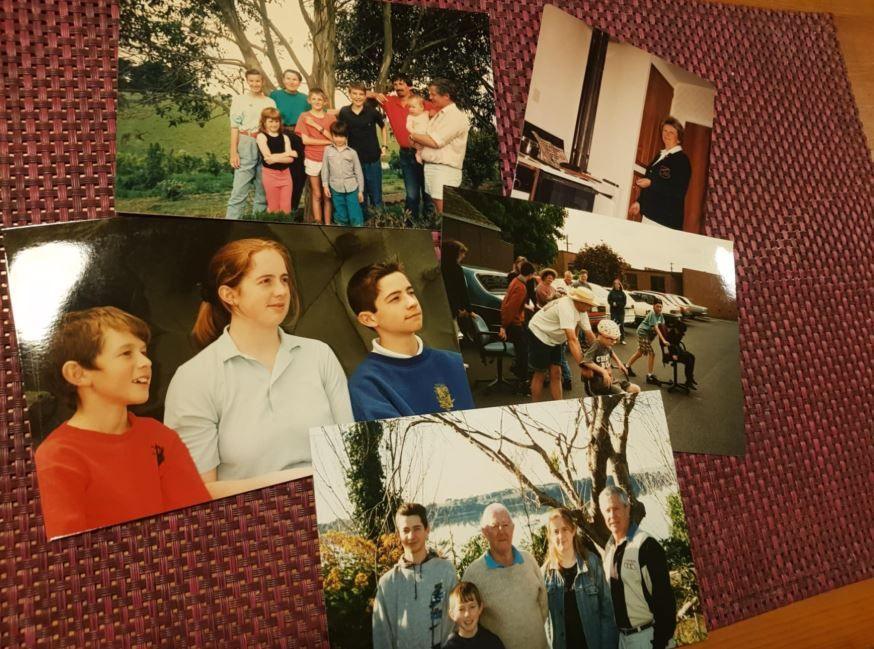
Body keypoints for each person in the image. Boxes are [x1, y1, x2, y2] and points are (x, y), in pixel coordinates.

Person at [164, 238, 353, 499]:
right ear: (229, 295)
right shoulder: (193, 378)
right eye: (266, 281)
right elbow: (196, 492)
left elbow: (351, 453)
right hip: (253, 524)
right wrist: (300, 481)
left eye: (284, 279)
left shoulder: (319, 355)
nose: (282, 291)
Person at [35, 307, 209, 539]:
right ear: (77, 373)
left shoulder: (160, 436)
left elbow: (200, 523)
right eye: (127, 353)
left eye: (143, 351)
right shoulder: (57, 459)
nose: (146, 361)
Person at [346, 261, 475, 421]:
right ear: (369, 318)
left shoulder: (453, 362)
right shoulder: (367, 385)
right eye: (395, 298)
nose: (412, 303)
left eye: (411, 292)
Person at [462, 504, 548, 649]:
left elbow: (543, 605)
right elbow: (467, 620)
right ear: (484, 532)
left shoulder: (529, 560)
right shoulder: (473, 575)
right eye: (495, 526)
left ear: (513, 528)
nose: (502, 531)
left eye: (505, 524)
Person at [600, 486, 676, 649]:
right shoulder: (609, 549)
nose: (612, 516)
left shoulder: (647, 546)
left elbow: (665, 600)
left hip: (649, 638)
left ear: (627, 509)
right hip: (623, 640)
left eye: (616, 509)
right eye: (607, 511)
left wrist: (660, 642)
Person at [373, 503, 458, 649]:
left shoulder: (446, 571)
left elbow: (456, 621)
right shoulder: (387, 583)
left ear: (427, 530)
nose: (411, 536)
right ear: (398, 534)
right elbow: (381, 634)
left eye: (417, 528)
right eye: (405, 530)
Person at [541, 508, 618, 649]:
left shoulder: (592, 564)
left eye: (565, 529)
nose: (561, 536)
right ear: (550, 536)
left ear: (574, 530)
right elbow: (542, 622)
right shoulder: (544, 575)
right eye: (556, 532)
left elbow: (608, 612)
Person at [375, 74, 435, 219]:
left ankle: (431, 222)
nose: (398, 87)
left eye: (401, 84)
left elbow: (438, 114)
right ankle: (411, 223)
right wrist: (376, 94)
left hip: (425, 151)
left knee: (428, 191)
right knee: (412, 193)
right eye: (395, 84)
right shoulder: (389, 101)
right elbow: (363, 94)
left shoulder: (421, 102)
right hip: (406, 153)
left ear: (409, 86)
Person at [408, 78, 470, 213]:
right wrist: (418, 140)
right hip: (434, 169)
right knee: (441, 213)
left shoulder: (454, 116)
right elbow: (427, 138)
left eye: (433, 94)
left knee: (447, 215)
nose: (430, 98)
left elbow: (435, 142)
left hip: (444, 171)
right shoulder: (439, 115)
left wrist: (414, 136)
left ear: (446, 96)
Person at [527, 287, 597, 401]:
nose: (590, 307)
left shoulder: (582, 309)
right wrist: (584, 366)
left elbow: (590, 335)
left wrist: (604, 354)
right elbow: (572, 340)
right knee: (541, 373)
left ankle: (559, 404)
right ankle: (535, 406)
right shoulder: (566, 307)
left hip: (555, 338)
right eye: (588, 304)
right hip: (540, 333)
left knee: (557, 373)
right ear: (579, 301)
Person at [226, 69, 276, 219]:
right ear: (247, 81)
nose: (255, 84)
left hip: (265, 142)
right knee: (239, 190)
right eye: (252, 81)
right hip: (246, 141)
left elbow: (273, 125)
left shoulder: (269, 102)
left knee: (263, 190)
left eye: (258, 81)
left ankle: (258, 224)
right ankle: (231, 224)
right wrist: (233, 152)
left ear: (263, 82)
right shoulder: (239, 100)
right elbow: (234, 127)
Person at [628, 117, 691, 231]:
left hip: (664, 221)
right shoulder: (660, 155)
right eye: (665, 131)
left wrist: (651, 183)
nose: (667, 134)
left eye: (671, 132)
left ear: (679, 138)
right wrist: (639, 202)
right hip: (650, 215)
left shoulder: (681, 160)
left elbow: (678, 191)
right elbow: (652, 182)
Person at [338, 81, 388, 210]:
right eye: (354, 93)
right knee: (361, 193)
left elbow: (383, 127)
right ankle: (363, 221)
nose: (358, 97)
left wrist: (384, 146)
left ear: (365, 96)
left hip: (373, 158)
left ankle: (379, 220)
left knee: (376, 193)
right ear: (349, 94)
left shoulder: (372, 111)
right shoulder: (344, 112)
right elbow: (341, 133)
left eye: (361, 94)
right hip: (354, 160)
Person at [269, 69, 309, 210]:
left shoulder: (305, 99)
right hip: (279, 136)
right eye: (288, 78)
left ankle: (292, 209)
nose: (291, 82)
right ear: (283, 80)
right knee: (279, 172)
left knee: (298, 175)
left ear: (299, 82)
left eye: (295, 79)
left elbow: (315, 113)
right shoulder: (275, 96)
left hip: (298, 137)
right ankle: (276, 210)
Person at [295, 88, 336, 224]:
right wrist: (327, 141)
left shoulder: (330, 118)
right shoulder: (304, 116)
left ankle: (328, 224)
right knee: (317, 194)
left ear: (324, 102)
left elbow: (335, 139)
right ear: (309, 100)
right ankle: (318, 223)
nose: (317, 102)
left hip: (329, 159)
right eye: (314, 99)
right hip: (313, 158)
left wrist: (316, 126)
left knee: (327, 195)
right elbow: (306, 140)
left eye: (320, 99)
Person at [321, 121, 365, 226]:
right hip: (335, 187)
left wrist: (360, 191)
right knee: (341, 214)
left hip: (352, 188)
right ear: (332, 136)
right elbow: (325, 168)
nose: (339, 139)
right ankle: (342, 234)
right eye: (336, 136)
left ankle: (358, 234)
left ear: (346, 137)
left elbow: (358, 172)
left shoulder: (352, 152)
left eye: (342, 136)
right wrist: (325, 186)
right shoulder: (327, 150)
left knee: (355, 214)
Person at [581, 320, 641, 397]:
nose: (614, 342)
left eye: (615, 339)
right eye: (611, 339)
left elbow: (611, 351)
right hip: (600, 384)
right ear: (601, 335)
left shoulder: (606, 345)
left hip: (611, 380)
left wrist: (619, 363)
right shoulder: (596, 345)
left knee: (636, 389)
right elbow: (586, 361)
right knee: (623, 396)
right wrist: (603, 372)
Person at [499, 261, 535, 385]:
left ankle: (519, 373)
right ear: (530, 274)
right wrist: (503, 326)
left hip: (512, 322)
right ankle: (523, 381)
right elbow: (511, 308)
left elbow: (505, 303)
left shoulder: (514, 281)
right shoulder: (521, 287)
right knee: (523, 352)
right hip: (515, 324)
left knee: (522, 349)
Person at [255, 107, 297, 214]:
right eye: (270, 121)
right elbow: (268, 159)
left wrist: (276, 158)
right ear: (264, 122)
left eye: (276, 121)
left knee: (286, 208)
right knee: (273, 207)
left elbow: (290, 160)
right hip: (270, 176)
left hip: (286, 176)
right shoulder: (261, 137)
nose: (274, 124)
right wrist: (288, 153)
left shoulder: (285, 137)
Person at [442, 582, 506, 649]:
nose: (467, 614)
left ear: (480, 608)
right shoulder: (450, 646)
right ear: (452, 614)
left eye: (472, 607)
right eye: (461, 609)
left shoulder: (493, 642)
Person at [625, 299, 669, 384]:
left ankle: (627, 366)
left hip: (649, 335)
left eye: (661, 307)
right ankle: (649, 376)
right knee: (652, 354)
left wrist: (667, 337)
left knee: (640, 353)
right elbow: (656, 327)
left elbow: (663, 327)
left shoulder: (660, 315)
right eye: (657, 306)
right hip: (643, 333)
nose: (659, 308)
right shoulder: (652, 314)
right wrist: (663, 340)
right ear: (653, 306)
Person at [440, 240, 473, 339]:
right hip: (452, 309)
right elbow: (462, 290)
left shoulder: (440, 267)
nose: (463, 256)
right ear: (455, 253)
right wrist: (468, 309)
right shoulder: (456, 269)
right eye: (462, 253)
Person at [664, 319, 697, 389]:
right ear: (676, 328)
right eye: (681, 331)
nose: (682, 333)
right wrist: (673, 354)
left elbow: (677, 343)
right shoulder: (670, 334)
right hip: (673, 353)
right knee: (689, 360)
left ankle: (690, 379)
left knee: (692, 357)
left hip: (678, 350)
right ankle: (689, 381)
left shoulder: (678, 333)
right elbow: (669, 345)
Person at [406, 94, 431, 163]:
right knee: (419, 147)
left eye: (413, 107)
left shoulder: (426, 113)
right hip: (417, 135)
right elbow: (408, 126)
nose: (410, 109)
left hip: (427, 136)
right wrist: (414, 133)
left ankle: (425, 156)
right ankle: (418, 154)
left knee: (427, 148)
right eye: (409, 107)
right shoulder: (410, 117)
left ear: (421, 107)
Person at [608, 279, 627, 344]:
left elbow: (624, 303)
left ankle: (622, 339)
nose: (616, 285)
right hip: (613, 311)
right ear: (614, 285)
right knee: (614, 325)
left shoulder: (622, 293)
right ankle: (614, 339)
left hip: (621, 312)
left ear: (619, 285)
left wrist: (617, 304)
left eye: (617, 284)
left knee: (621, 325)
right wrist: (612, 303)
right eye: (615, 284)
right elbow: (609, 300)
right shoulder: (611, 292)